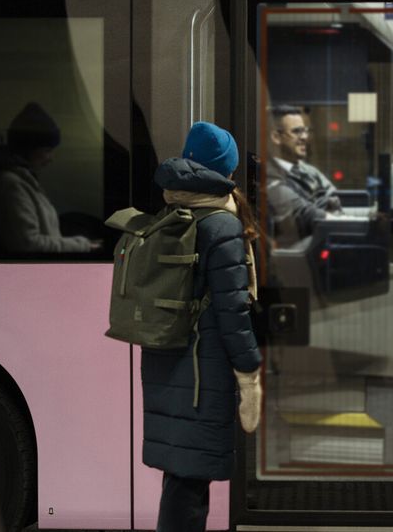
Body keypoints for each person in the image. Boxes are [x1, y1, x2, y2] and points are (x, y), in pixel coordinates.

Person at [141, 122, 262, 532]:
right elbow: (233, 312)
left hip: (169, 361)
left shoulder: (172, 209)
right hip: (201, 371)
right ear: (226, 170)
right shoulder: (221, 225)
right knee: (189, 487)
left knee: (182, 477)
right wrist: (249, 374)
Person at [0, 102, 99, 253]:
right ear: (28, 148)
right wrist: (84, 246)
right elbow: (29, 243)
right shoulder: (10, 184)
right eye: (47, 150)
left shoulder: (24, 181)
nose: (50, 158)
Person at [266, 105, 343, 245]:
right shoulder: (268, 174)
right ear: (276, 137)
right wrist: (320, 206)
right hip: (293, 254)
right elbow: (304, 215)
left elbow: (334, 201)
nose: (304, 137)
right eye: (297, 132)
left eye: (305, 131)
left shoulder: (310, 171)